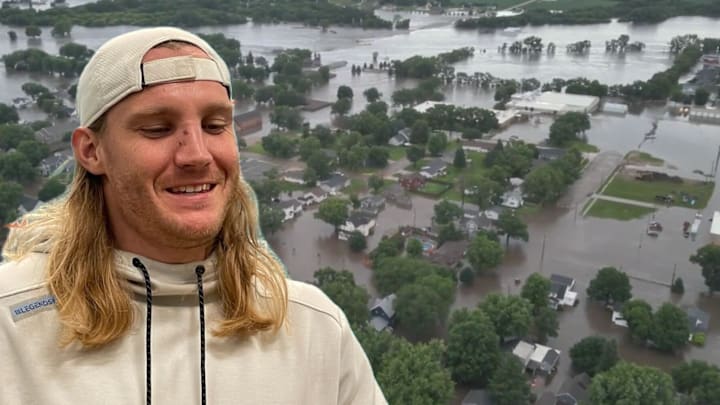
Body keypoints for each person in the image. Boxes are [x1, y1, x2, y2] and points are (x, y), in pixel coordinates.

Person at [0, 27, 387, 405]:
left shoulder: (314, 329)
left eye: (215, 125)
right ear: (91, 151)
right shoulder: (10, 328)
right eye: (157, 128)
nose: (198, 154)